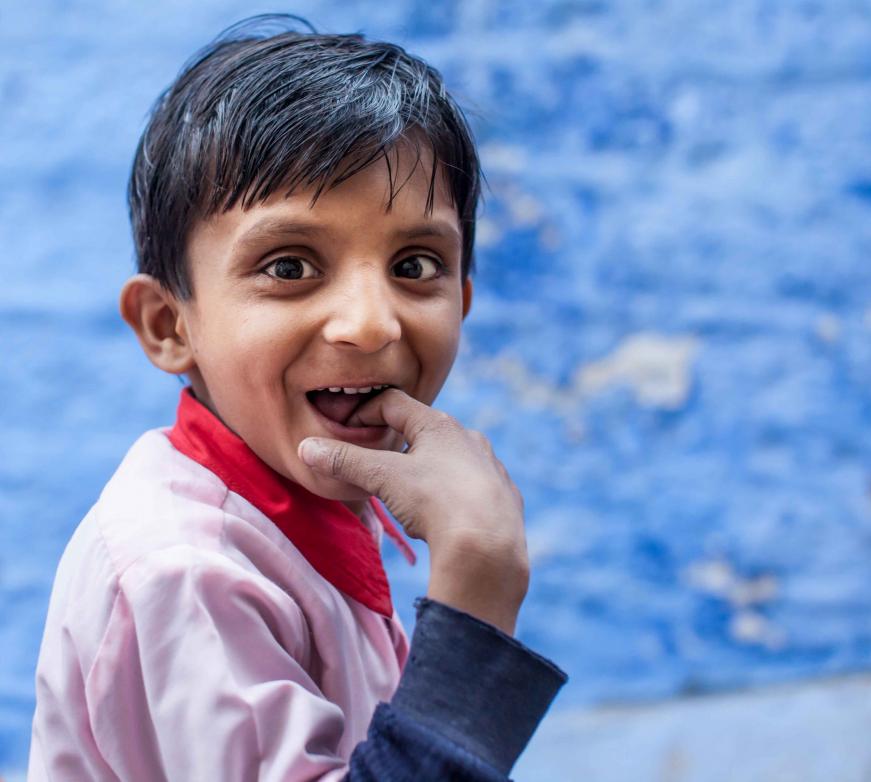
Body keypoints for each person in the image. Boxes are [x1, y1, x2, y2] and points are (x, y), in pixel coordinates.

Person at [28, 15, 567, 781]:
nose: (371, 323)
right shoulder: (185, 572)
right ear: (169, 324)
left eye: (415, 266)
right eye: (288, 267)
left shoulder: (295, 504)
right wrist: (476, 603)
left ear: (464, 300)